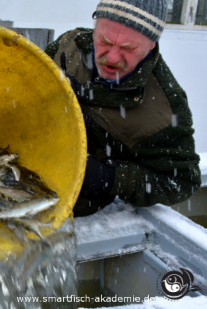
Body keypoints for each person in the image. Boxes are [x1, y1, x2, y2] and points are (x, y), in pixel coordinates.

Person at [44, 0, 201, 217]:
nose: (112, 57)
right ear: (95, 26)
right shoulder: (68, 45)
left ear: (152, 44)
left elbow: (180, 181)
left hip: (76, 209)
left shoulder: (166, 110)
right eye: (104, 41)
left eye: (128, 48)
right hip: (27, 172)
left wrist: (110, 178)